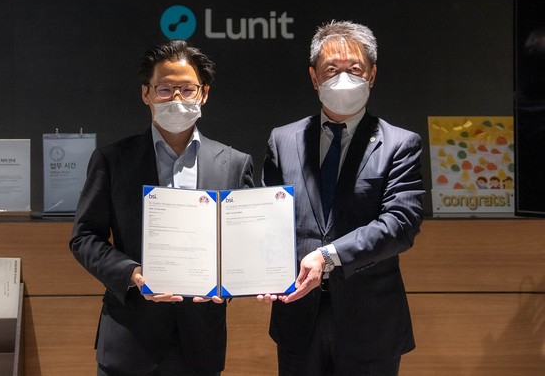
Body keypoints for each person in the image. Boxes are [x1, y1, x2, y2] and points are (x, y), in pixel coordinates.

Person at [69, 40, 254, 376]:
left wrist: (229, 282)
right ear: (147, 93)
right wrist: (132, 274)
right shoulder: (113, 160)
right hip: (129, 340)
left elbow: (244, 243)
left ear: (204, 94)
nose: (176, 98)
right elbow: (84, 237)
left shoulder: (234, 164)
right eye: (165, 89)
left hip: (200, 343)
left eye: (187, 89)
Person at [258, 20, 425, 375]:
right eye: (332, 70)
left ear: (372, 75)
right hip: (297, 316)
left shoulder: (400, 144)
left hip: (370, 321)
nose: (343, 78)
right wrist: (257, 271)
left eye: (355, 69)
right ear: (314, 77)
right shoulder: (282, 140)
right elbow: (267, 220)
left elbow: (401, 224)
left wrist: (327, 257)